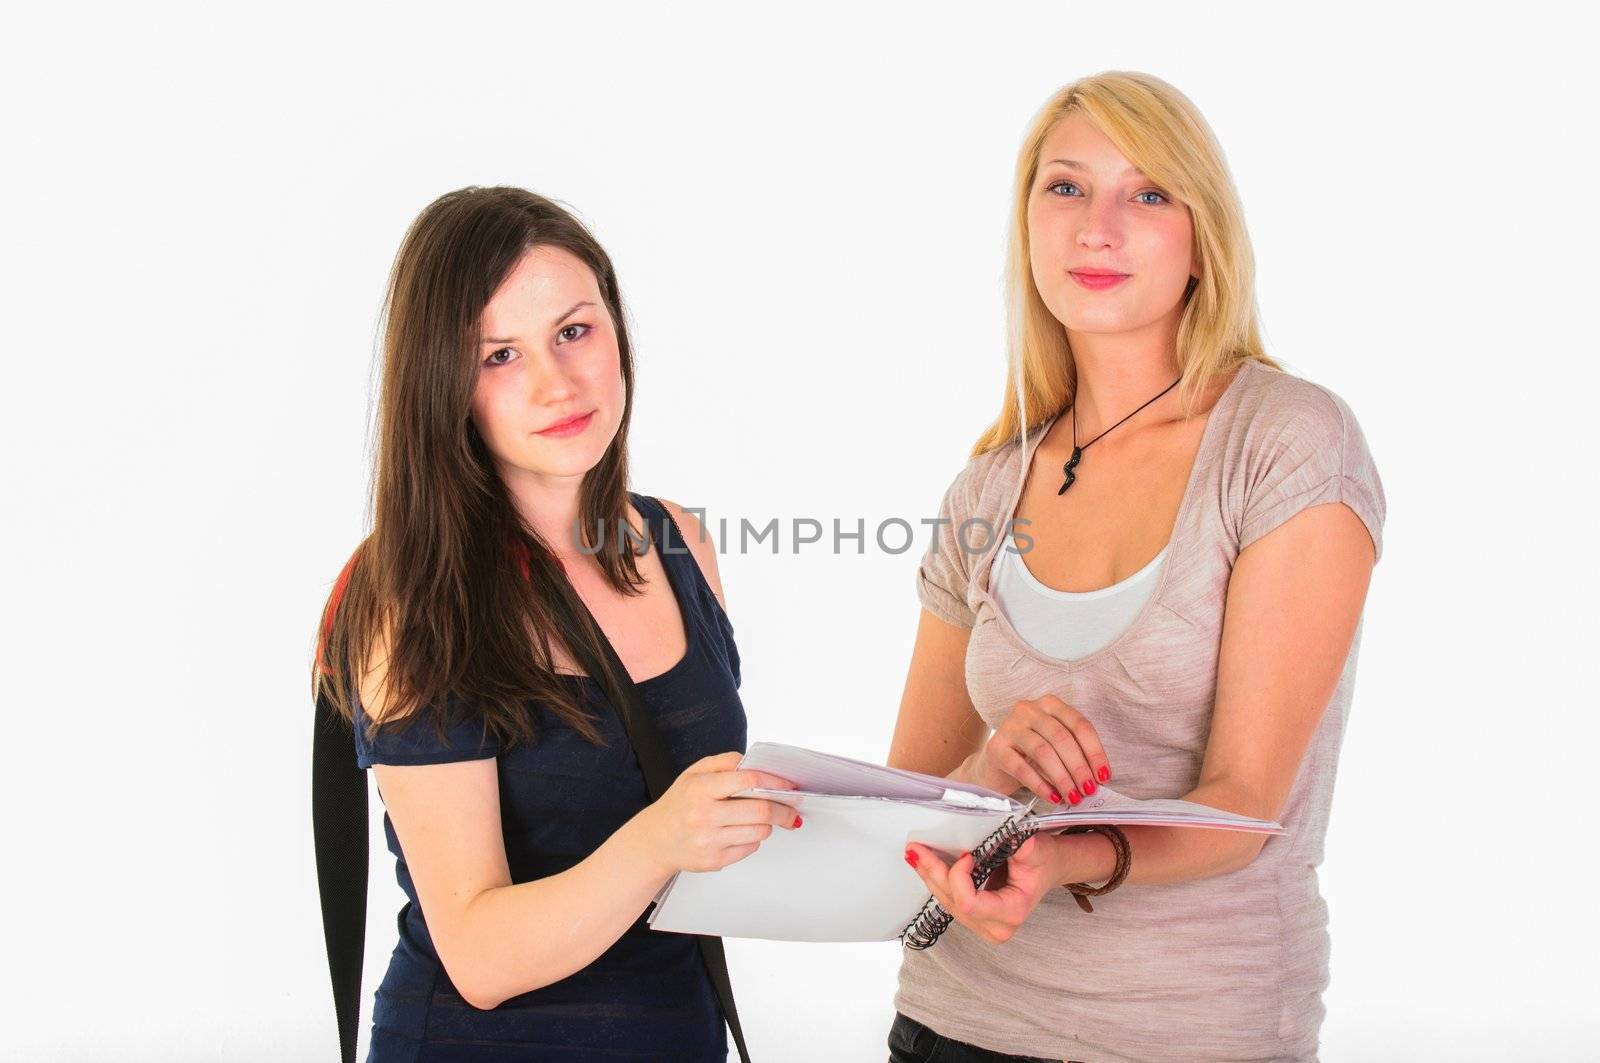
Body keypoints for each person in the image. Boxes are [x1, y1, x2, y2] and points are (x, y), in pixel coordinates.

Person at [885, 71, 1386, 1063]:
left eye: (1147, 193)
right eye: (1065, 188)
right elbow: (902, 802)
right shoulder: (985, 490)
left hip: (1185, 1032)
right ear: (1026, 223)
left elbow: (1244, 802)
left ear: (1202, 238)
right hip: (954, 1023)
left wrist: (1053, 853)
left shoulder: (1284, 443)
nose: (1096, 226)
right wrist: (987, 771)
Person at [312, 186, 798, 1062]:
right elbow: (478, 955)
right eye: (499, 354)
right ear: (443, 383)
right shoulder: (412, 595)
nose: (555, 383)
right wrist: (660, 840)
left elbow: (700, 835)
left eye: (574, 331)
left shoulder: (679, 541)